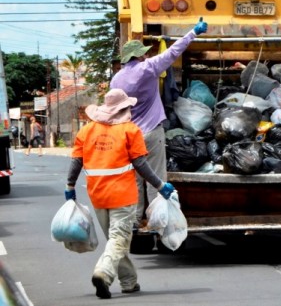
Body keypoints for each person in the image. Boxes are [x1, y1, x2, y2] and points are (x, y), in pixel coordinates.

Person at [64, 88, 176, 299]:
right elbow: (141, 164)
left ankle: (129, 282)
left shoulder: (86, 131)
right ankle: (103, 273)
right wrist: (160, 185)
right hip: (123, 196)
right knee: (119, 239)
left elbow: (76, 162)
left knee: (116, 241)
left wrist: (69, 187)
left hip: (97, 195)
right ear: (124, 108)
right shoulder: (130, 130)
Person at [110, 17, 208, 228]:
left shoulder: (116, 80)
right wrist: (193, 32)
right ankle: (157, 221)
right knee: (155, 179)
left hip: (128, 135)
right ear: (139, 55)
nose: (147, 54)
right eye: (145, 52)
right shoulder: (148, 68)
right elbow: (173, 52)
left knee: (135, 180)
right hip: (151, 133)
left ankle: (136, 220)